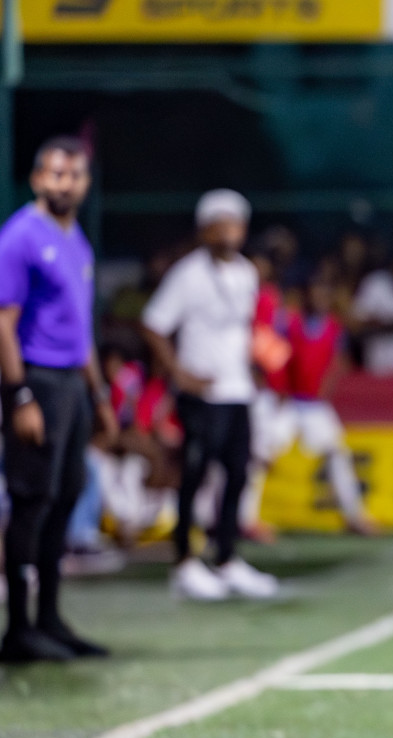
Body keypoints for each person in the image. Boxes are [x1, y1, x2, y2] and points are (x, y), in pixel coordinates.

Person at [0, 136, 117, 661]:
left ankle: (50, 618)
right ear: (36, 179)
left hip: (71, 382)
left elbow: (81, 330)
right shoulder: (20, 236)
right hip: (38, 380)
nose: (63, 183)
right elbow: (4, 323)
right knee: (32, 502)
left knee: (65, 497)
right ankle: (18, 627)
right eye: (54, 174)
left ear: (85, 184)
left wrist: (99, 394)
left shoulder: (77, 241)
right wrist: (19, 394)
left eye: (73, 175)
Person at [139, 189, 279, 601]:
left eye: (235, 223)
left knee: (237, 474)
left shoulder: (247, 273)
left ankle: (228, 558)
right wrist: (179, 373)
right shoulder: (188, 274)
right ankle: (184, 561)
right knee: (195, 475)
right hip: (202, 392)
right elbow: (153, 324)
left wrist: (255, 367)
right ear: (205, 229)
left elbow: (247, 328)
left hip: (238, 390)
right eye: (220, 224)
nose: (229, 231)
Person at [256, 272, 375, 534]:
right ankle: (246, 520)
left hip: (314, 405)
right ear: (306, 296)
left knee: (337, 453)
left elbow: (339, 360)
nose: (319, 299)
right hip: (287, 401)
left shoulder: (334, 327)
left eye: (324, 294)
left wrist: (328, 386)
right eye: (315, 294)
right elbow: (270, 348)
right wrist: (278, 386)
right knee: (259, 456)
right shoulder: (289, 322)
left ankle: (355, 517)